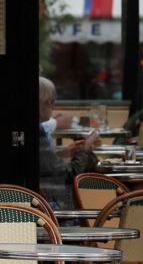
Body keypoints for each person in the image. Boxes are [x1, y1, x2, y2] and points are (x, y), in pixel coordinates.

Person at [38, 77, 99, 209]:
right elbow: (70, 175)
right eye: (51, 101)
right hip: (53, 208)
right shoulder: (37, 132)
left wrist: (60, 154)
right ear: (43, 103)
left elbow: (46, 165)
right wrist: (85, 149)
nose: (53, 106)